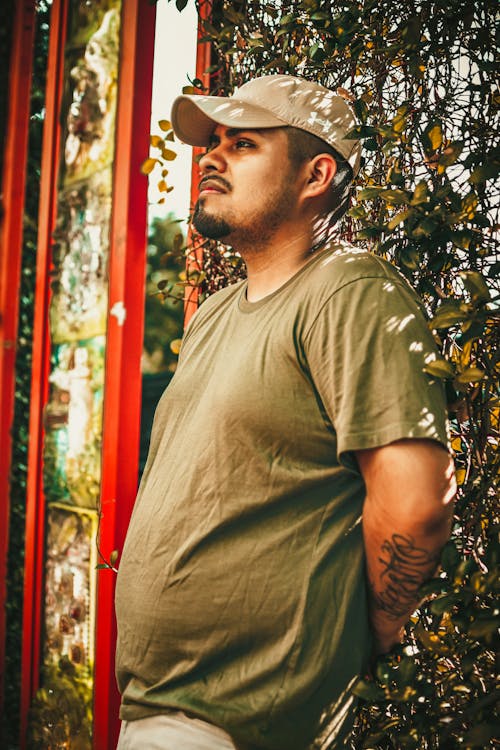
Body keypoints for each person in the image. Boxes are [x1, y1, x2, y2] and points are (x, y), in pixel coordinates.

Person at [115, 74, 455, 750]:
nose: (210, 158)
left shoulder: (350, 293)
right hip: (159, 713)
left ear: (315, 175)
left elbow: (415, 503)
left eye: (241, 145)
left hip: (241, 724)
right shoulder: (214, 314)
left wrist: (371, 630)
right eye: (212, 144)